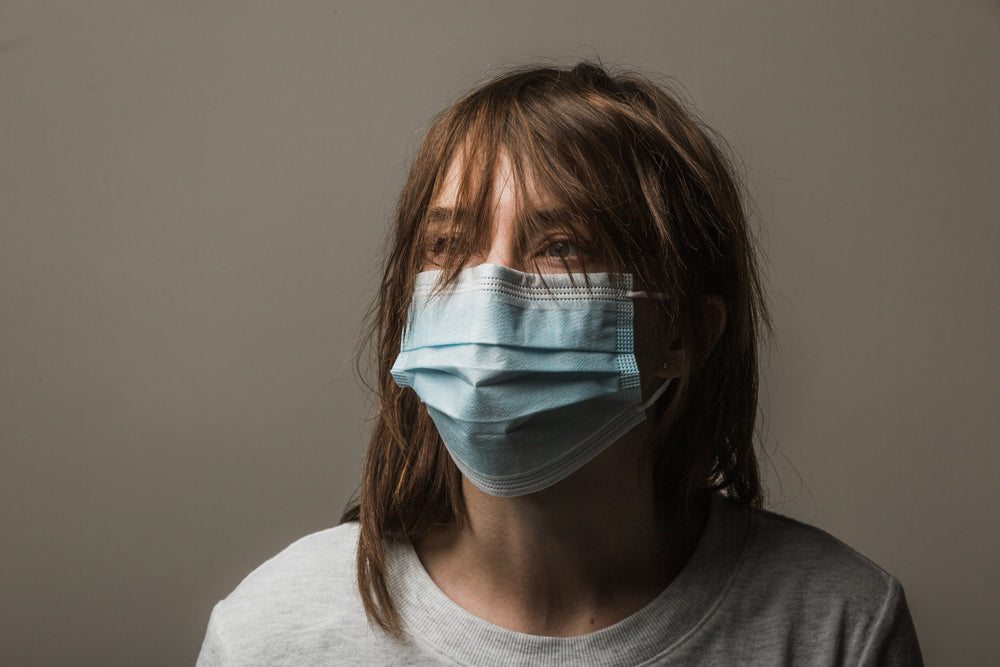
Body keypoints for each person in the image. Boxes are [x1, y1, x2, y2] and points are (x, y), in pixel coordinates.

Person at [196, 62, 922, 665]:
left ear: (684, 331)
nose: (488, 295)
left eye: (561, 245)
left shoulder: (840, 627)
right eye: (448, 246)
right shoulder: (270, 637)